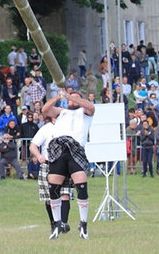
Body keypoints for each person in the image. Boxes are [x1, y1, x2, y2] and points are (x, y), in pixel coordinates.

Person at [39, 90, 95, 240]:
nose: (72, 99)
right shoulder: (61, 112)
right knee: (53, 188)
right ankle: (57, 224)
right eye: (70, 97)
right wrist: (58, 97)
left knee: (81, 186)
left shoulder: (85, 112)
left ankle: (83, 224)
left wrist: (71, 97)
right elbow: (45, 110)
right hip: (59, 148)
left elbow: (91, 107)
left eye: (76, 97)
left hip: (76, 150)